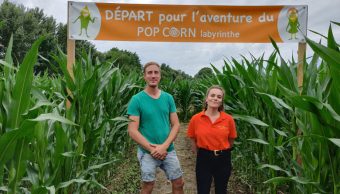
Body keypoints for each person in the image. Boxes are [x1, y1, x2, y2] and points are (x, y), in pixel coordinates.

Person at [127, 61, 184, 194]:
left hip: (168, 150)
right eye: (150, 73)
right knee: (148, 186)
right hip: (147, 152)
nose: (153, 75)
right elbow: (132, 130)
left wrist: (164, 146)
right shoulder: (137, 99)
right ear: (144, 76)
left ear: (160, 76)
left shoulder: (168, 98)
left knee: (179, 183)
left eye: (156, 72)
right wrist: (152, 149)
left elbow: (176, 124)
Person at [187, 85, 237, 194]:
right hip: (204, 158)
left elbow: (231, 140)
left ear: (221, 101)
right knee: (203, 190)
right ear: (206, 98)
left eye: (219, 97)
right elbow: (192, 139)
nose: (215, 98)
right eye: (212, 95)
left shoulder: (228, 119)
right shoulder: (196, 119)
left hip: (223, 158)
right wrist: (201, 155)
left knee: (221, 190)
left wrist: (223, 151)